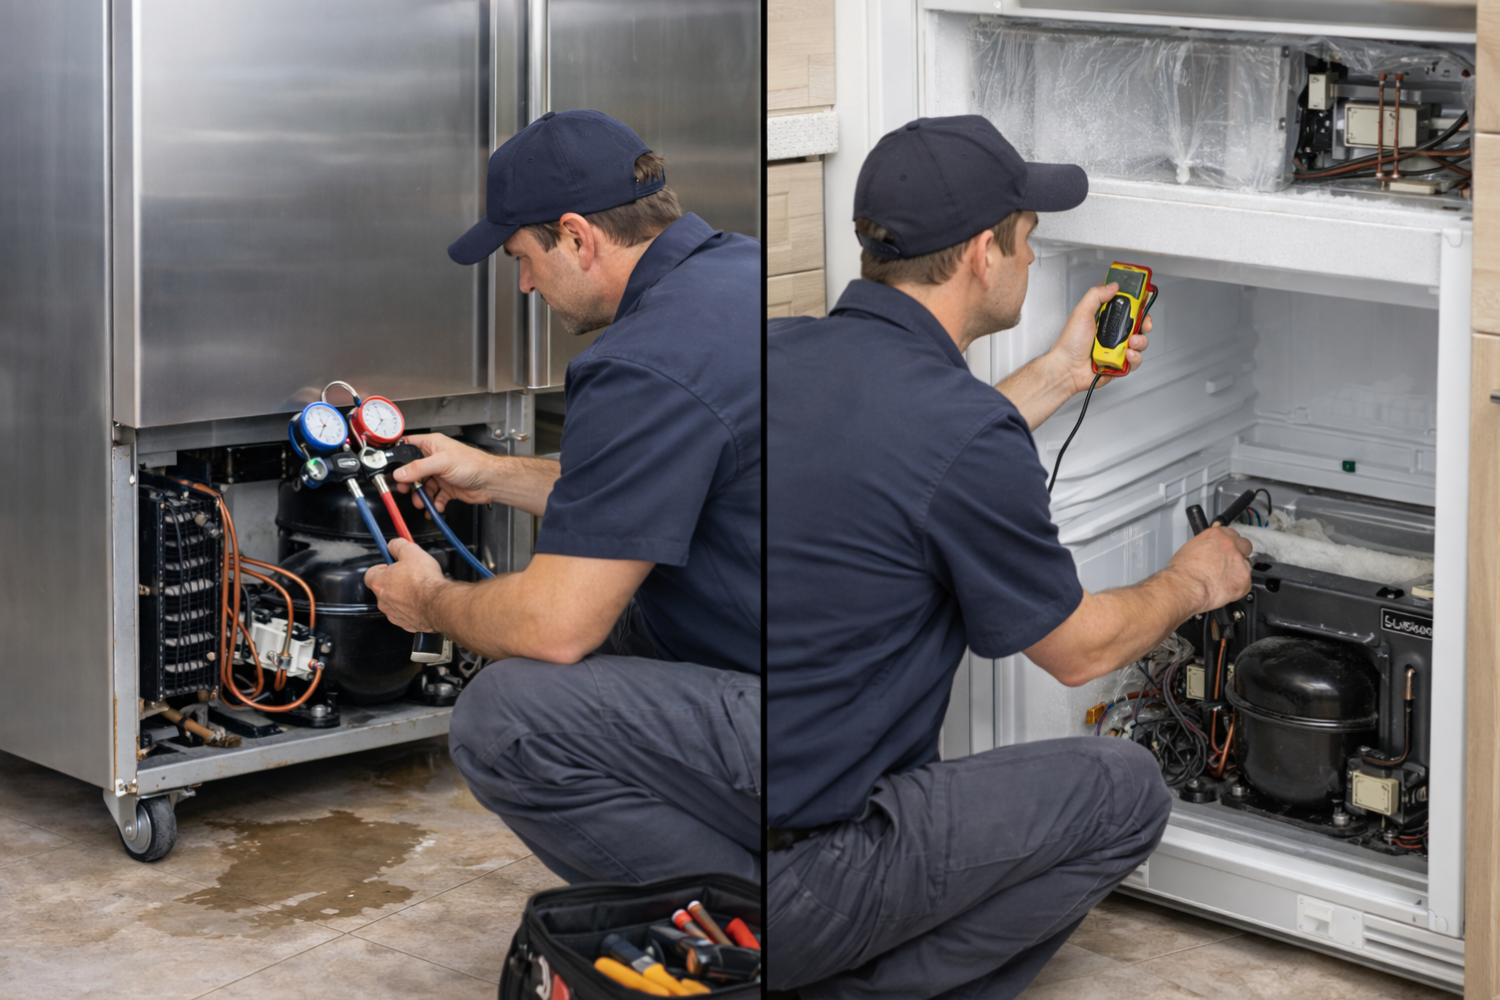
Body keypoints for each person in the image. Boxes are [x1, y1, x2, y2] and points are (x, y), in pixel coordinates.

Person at [766, 116, 1253, 999]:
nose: (1032, 257)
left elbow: (911, 452)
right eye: (1028, 239)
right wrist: (1194, 579)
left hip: (706, 838)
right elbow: (1081, 652)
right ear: (985, 253)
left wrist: (1063, 373)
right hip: (809, 877)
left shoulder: (781, 356)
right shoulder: (959, 430)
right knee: (1125, 790)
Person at [364, 110, 761, 886]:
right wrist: (491, 472)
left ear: (577, 237)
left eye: (523, 256)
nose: (523, 283)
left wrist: (431, 600)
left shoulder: (641, 361)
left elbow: (555, 627)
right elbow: (655, 486)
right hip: (829, 671)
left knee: (507, 714)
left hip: (792, 712)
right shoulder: (733, 274)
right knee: (625, 623)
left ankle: (751, 919)